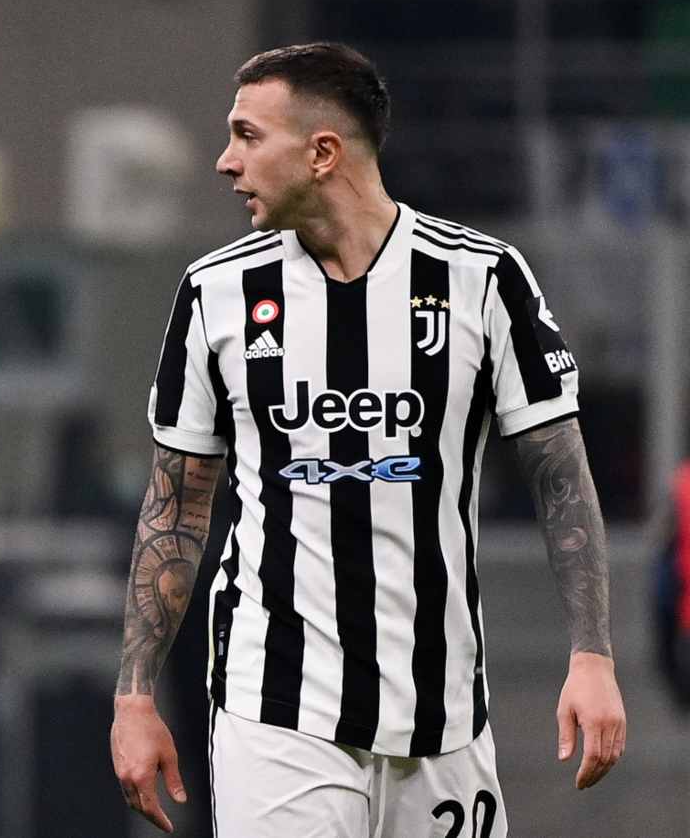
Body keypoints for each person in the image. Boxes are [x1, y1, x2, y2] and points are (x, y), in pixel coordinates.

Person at [109, 43, 626, 837]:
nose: (225, 161)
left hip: (445, 716)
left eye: (247, 136)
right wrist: (135, 696)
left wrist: (591, 655)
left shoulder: (482, 279)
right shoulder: (217, 292)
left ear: (322, 153)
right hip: (275, 709)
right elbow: (176, 507)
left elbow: (561, 476)